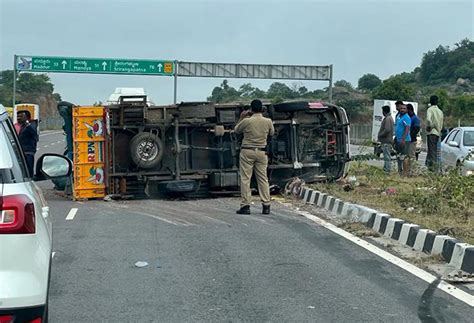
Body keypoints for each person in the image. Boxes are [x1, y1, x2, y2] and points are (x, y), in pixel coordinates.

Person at [234, 99, 275, 215]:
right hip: (262, 153)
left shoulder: (247, 121)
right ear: (262, 109)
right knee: (263, 179)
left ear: (250, 109)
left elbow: (236, 130)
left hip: (247, 151)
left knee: (245, 179)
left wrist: (242, 117)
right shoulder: (268, 121)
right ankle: (266, 205)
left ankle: (245, 206)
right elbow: (272, 133)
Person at [17, 110, 39, 177]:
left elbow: (35, 136)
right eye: (17, 116)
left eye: (21, 116)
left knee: (28, 171)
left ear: (26, 118)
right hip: (22, 151)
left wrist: (28, 125)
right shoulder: (23, 126)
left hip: (28, 152)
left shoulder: (31, 125)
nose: (18, 118)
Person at [425, 95, 444, 172]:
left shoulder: (430, 110)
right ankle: (435, 167)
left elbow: (429, 120)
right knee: (436, 151)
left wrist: (430, 126)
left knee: (431, 151)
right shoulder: (440, 111)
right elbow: (442, 123)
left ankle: (432, 169)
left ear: (430, 101)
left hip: (432, 132)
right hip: (438, 132)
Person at [394, 104, 411, 176]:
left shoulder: (406, 118)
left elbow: (407, 128)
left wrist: (403, 139)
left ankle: (405, 173)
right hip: (398, 140)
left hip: (405, 140)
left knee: (404, 157)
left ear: (406, 110)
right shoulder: (399, 117)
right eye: (401, 108)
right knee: (399, 156)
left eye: (404, 108)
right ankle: (399, 171)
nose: (402, 110)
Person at [377, 105, 394, 174]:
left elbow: (387, 129)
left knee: (387, 156)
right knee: (386, 155)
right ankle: (385, 169)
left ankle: (387, 170)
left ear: (384, 111)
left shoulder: (387, 119)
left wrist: (380, 135)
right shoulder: (389, 118)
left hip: (386, 140)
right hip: (387, 140)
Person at [407, 104, 421, 174]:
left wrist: (410, 136)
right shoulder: (408, 118)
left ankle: (413, 171)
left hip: (412, 140)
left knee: (411, 156)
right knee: (407, 157)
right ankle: (408, 170)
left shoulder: (415, 118)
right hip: (407, 140)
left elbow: (416, 129)